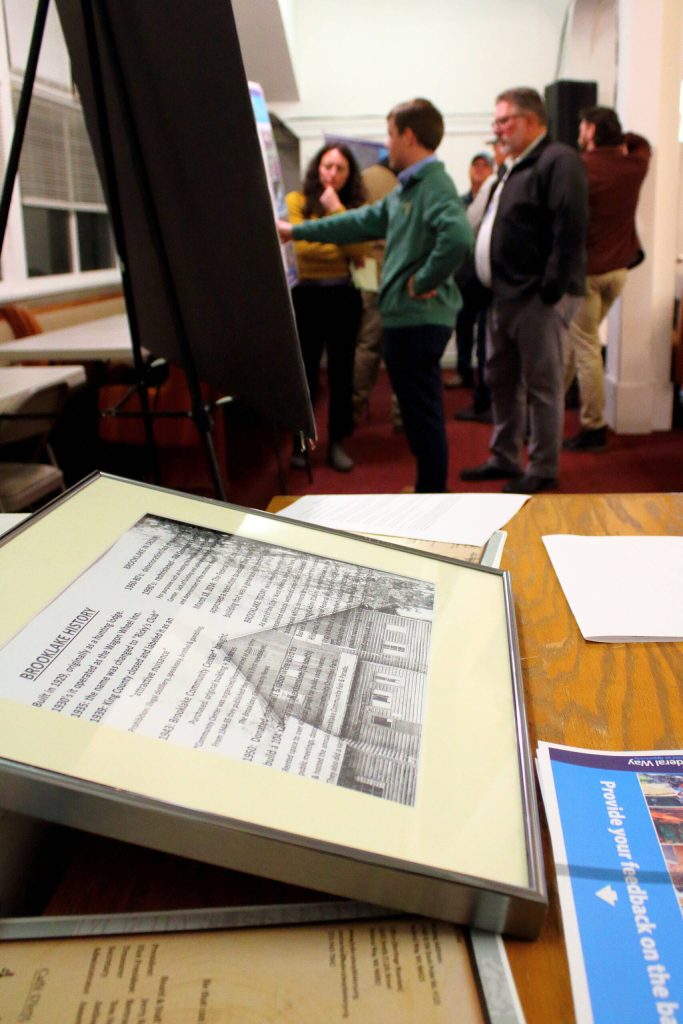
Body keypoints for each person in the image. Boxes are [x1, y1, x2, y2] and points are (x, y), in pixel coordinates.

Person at [278, 98, 473, 494]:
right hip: (409, 319)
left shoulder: (433, 184)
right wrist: (296, 232)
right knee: (420, 413)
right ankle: (428, 490)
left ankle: (432, 495)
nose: (387, 144)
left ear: (409, 136)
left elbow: (458, 237)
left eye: (390, 134)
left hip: (419, 318)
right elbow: (361, 221)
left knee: (423, 414)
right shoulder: (412, 188)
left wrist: (423, 279)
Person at [460, 87, 588, 494]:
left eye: (504, 121)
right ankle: (505, 455)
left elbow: (570, 224)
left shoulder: (559, 159)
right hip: (504, 295)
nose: (496, 130)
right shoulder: (514, 166)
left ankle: (544, 467)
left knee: (542, 384)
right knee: (502, 378)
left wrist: (550, 288)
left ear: (531, 121)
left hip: (537, 296)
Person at [563, 107, 651, 453]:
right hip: (619, 271)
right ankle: (551, 411)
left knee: (585, 348)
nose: (580, 131)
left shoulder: (582, 167)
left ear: (594, 130)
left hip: (588, 274)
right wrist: (618, 143)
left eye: (584, 127)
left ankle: (593, 427)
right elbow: (642, 142)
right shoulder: (635, 164)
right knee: (576, 345)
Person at [287, 143, 370, 472]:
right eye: (327, 166)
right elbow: (302, 251)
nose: (332, 173)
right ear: (317, 167)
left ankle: (337, 441)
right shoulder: (296, 201)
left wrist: (336, 209)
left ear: (349, 175)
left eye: (340, 168)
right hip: (305, 296)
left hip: (343, 297)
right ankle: (300, 444)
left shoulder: (353, 205)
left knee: (342, 374)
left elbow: (360, 248)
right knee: (304, 374)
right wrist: (341, 243)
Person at [351, 157, 402, 430]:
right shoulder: (399, 184)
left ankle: (354, 407)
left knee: (367, 343)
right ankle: (401, 414)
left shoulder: (365, 177)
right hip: (390, 271)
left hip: (365, 269)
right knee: (396, 346)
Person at [444, 152, 494, 391]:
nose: (480, 169)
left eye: (485, 166)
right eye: (476, 165)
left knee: (485, 330)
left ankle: (484, 378)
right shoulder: (459, 202)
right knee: (463, 325)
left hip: (486, 276)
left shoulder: (496, 202)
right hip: (462, 275)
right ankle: (463, 372)